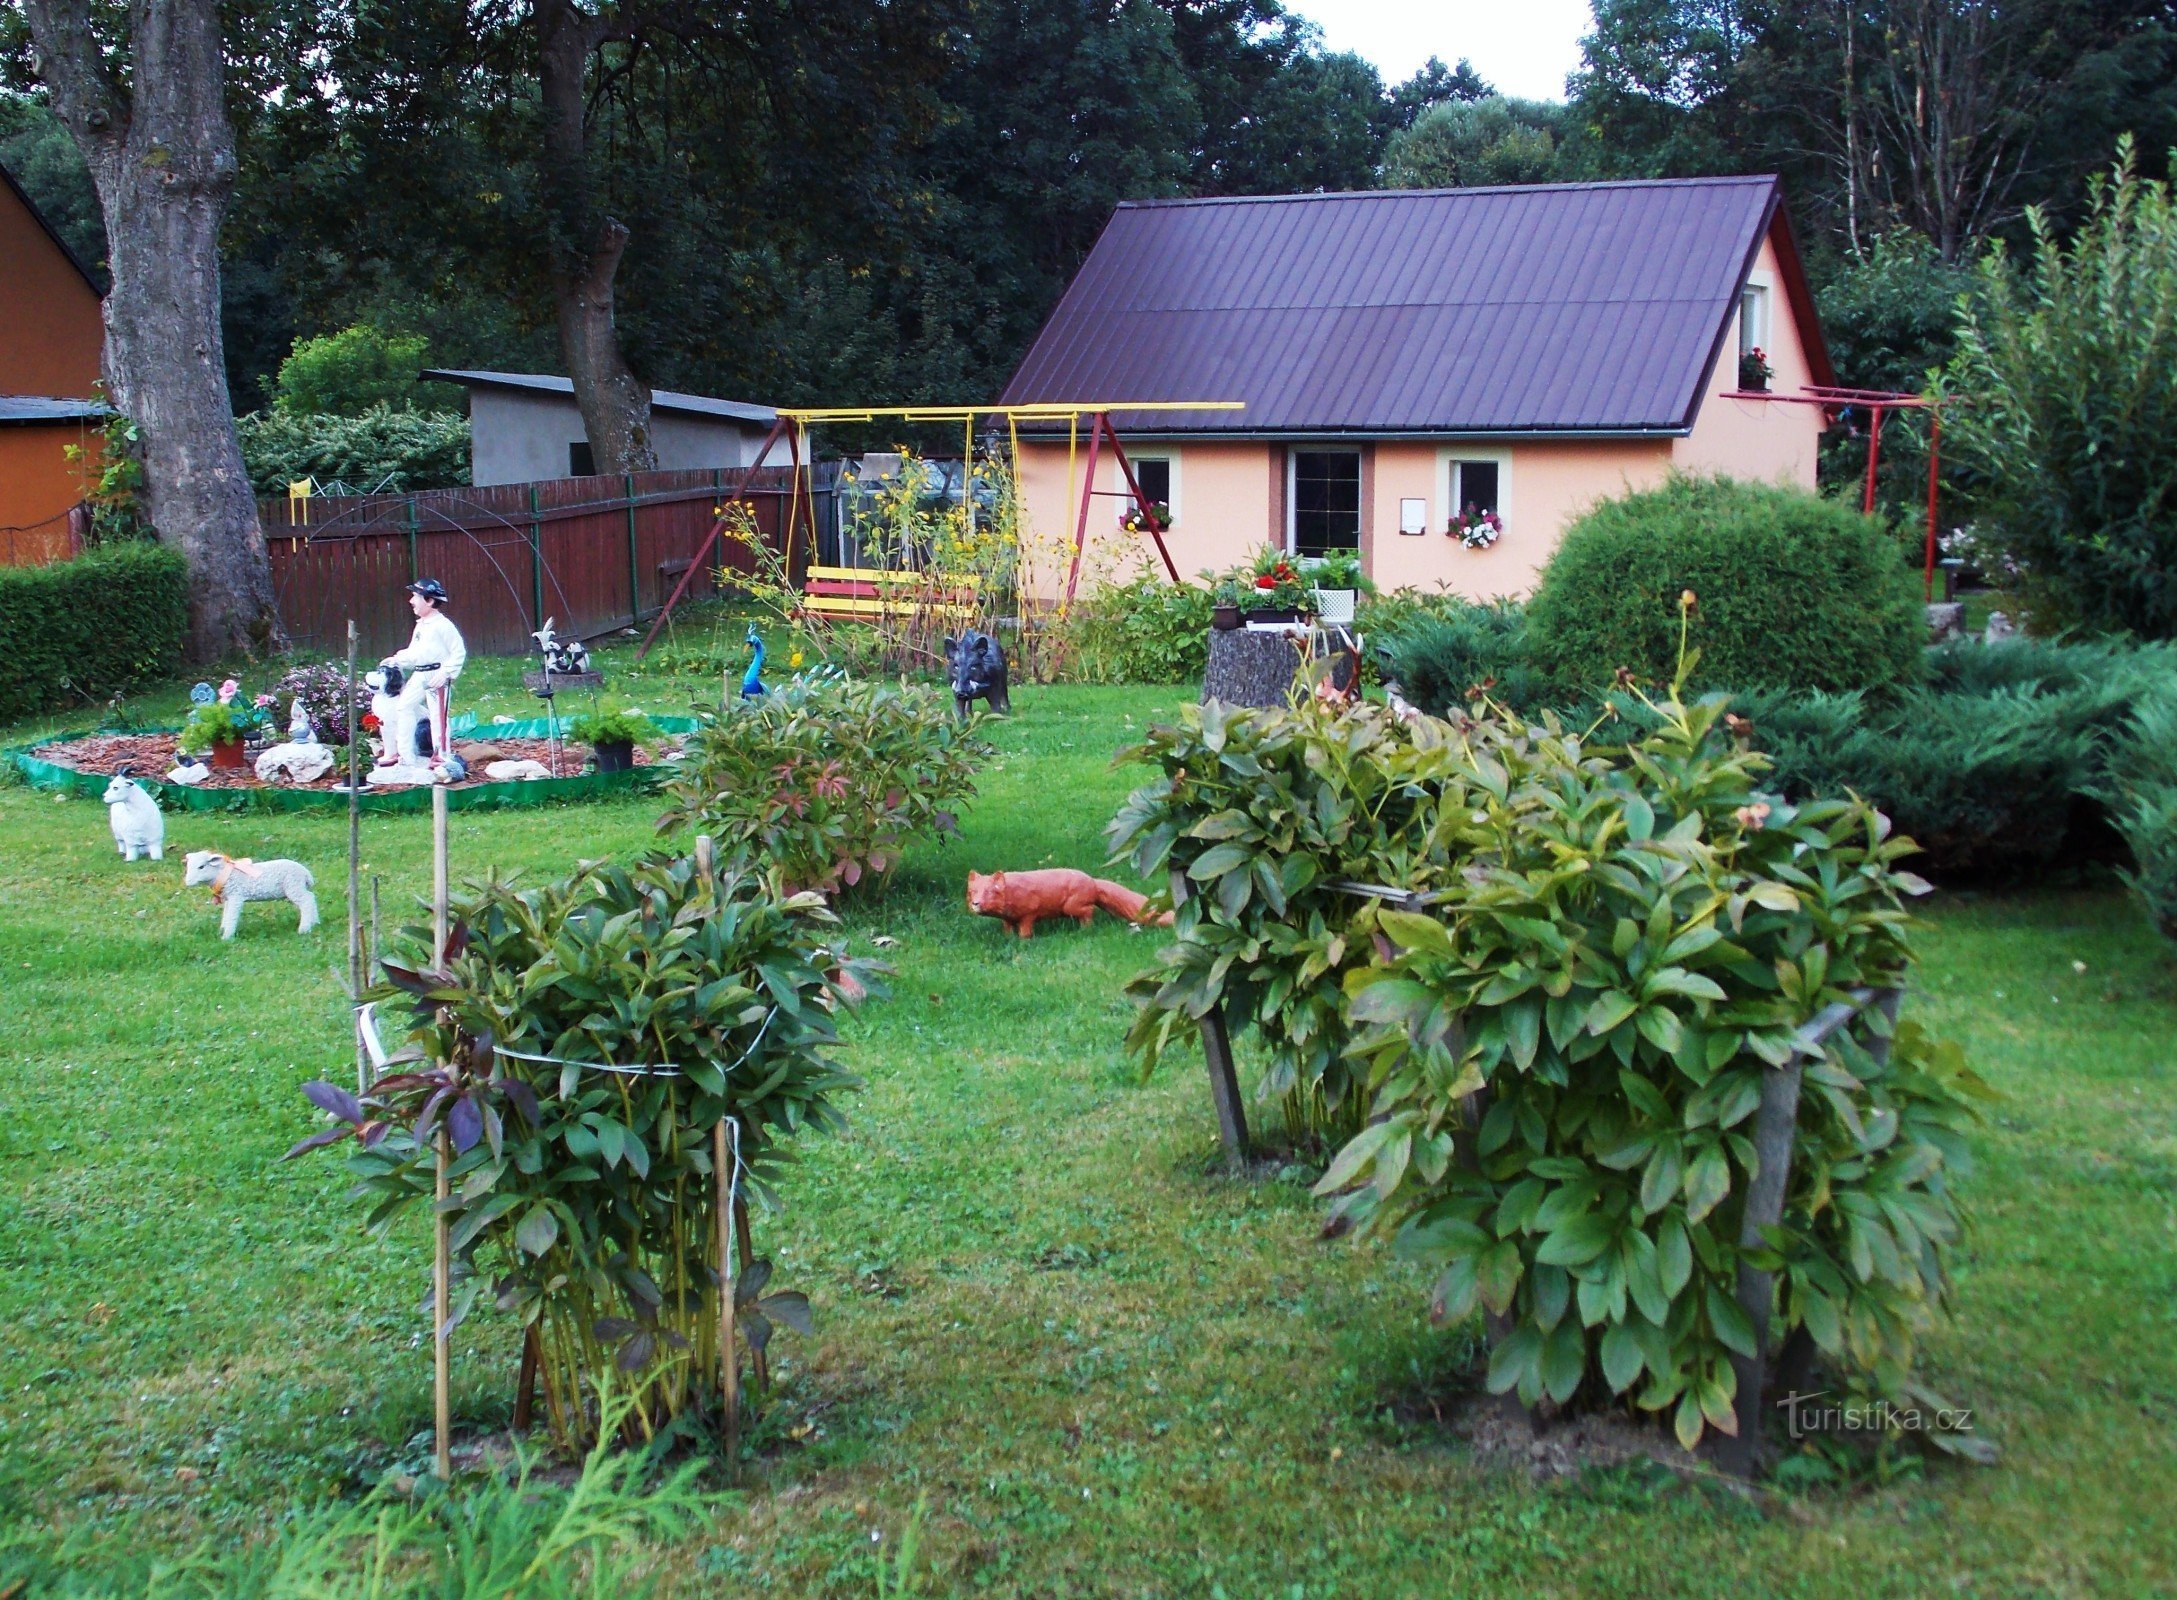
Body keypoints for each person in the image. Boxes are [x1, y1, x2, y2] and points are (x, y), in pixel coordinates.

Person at [384, 578, 466, 760]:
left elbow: (458, 652)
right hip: (420, 674)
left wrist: (445, 673)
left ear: (429, 601)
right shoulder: (421, 625)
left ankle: (442, 756)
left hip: (436, 675)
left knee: (438, 716)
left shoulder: (443, 626)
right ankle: (405, 754)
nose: (411, 601)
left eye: (415, 596)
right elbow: (416, 652)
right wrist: (397, 659)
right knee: (404, 707)